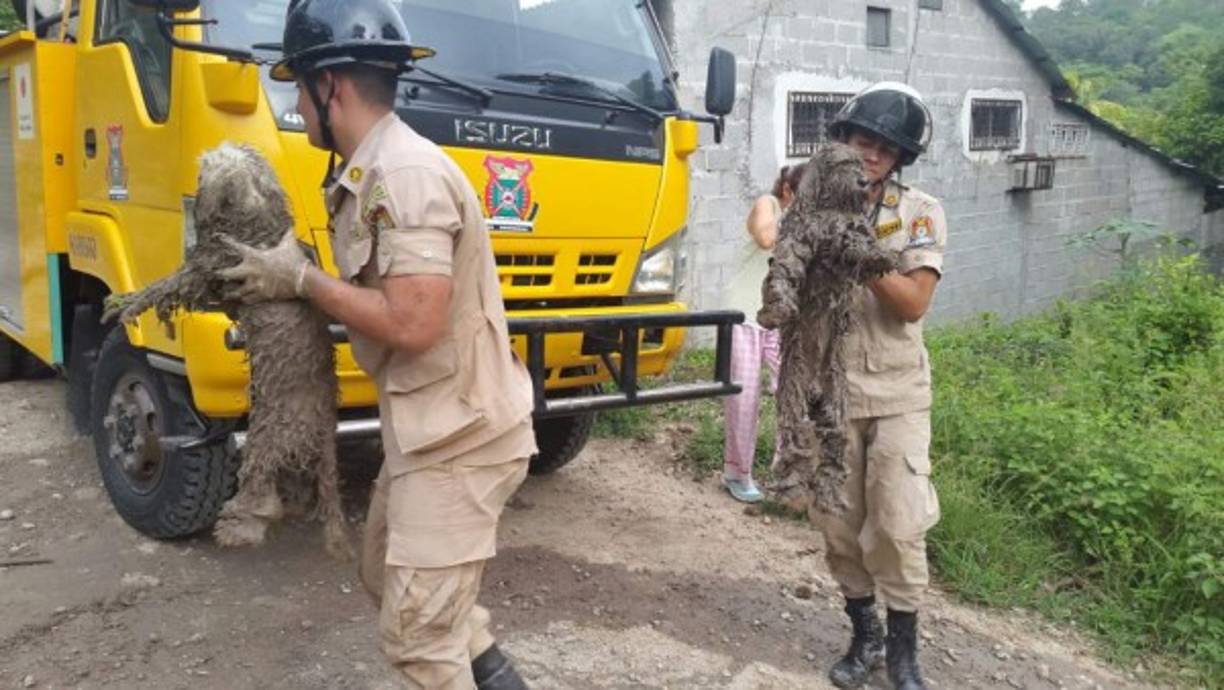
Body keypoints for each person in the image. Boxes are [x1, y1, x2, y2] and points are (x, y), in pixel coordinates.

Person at [218, 1, 535, 687]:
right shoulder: (370, 169)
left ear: (329, 85)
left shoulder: (402, 176)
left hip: (459, 437)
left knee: (419, 638)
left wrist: (301, 279)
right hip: (431, 426)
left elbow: (413, 322)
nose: (296, 106)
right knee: (387, 575)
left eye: (298, 88)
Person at [818, 82, 946, 690]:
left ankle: (903, 653)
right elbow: (770, 241)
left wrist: (860, 250)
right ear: (842, 139)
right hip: (829, 392)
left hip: (897, 393)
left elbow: (914, 302)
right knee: (839, 526)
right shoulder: (814, 201)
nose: (870, 154)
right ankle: (863, 634)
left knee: (896, 523)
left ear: (899, 159)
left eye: (885, 147)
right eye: (861, 140)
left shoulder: (918, 212)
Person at [722, 164, 805, 503]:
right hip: (745, 317)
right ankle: (737, 474)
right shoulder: (767, 204)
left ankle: (788, 474)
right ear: (787, 189)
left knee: (793, 392)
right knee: (745, 399)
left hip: (780, 319)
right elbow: (767, 239)